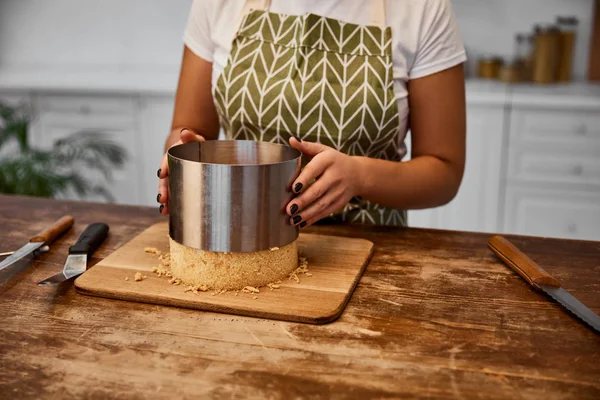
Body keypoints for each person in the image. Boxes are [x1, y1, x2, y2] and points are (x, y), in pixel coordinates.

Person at [157, 0, 466, 228]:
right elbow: (189, 129)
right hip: (241, 241)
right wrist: (181, 154)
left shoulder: (423, 9)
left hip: (373, 248)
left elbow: (444, 172)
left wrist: (360, 177)